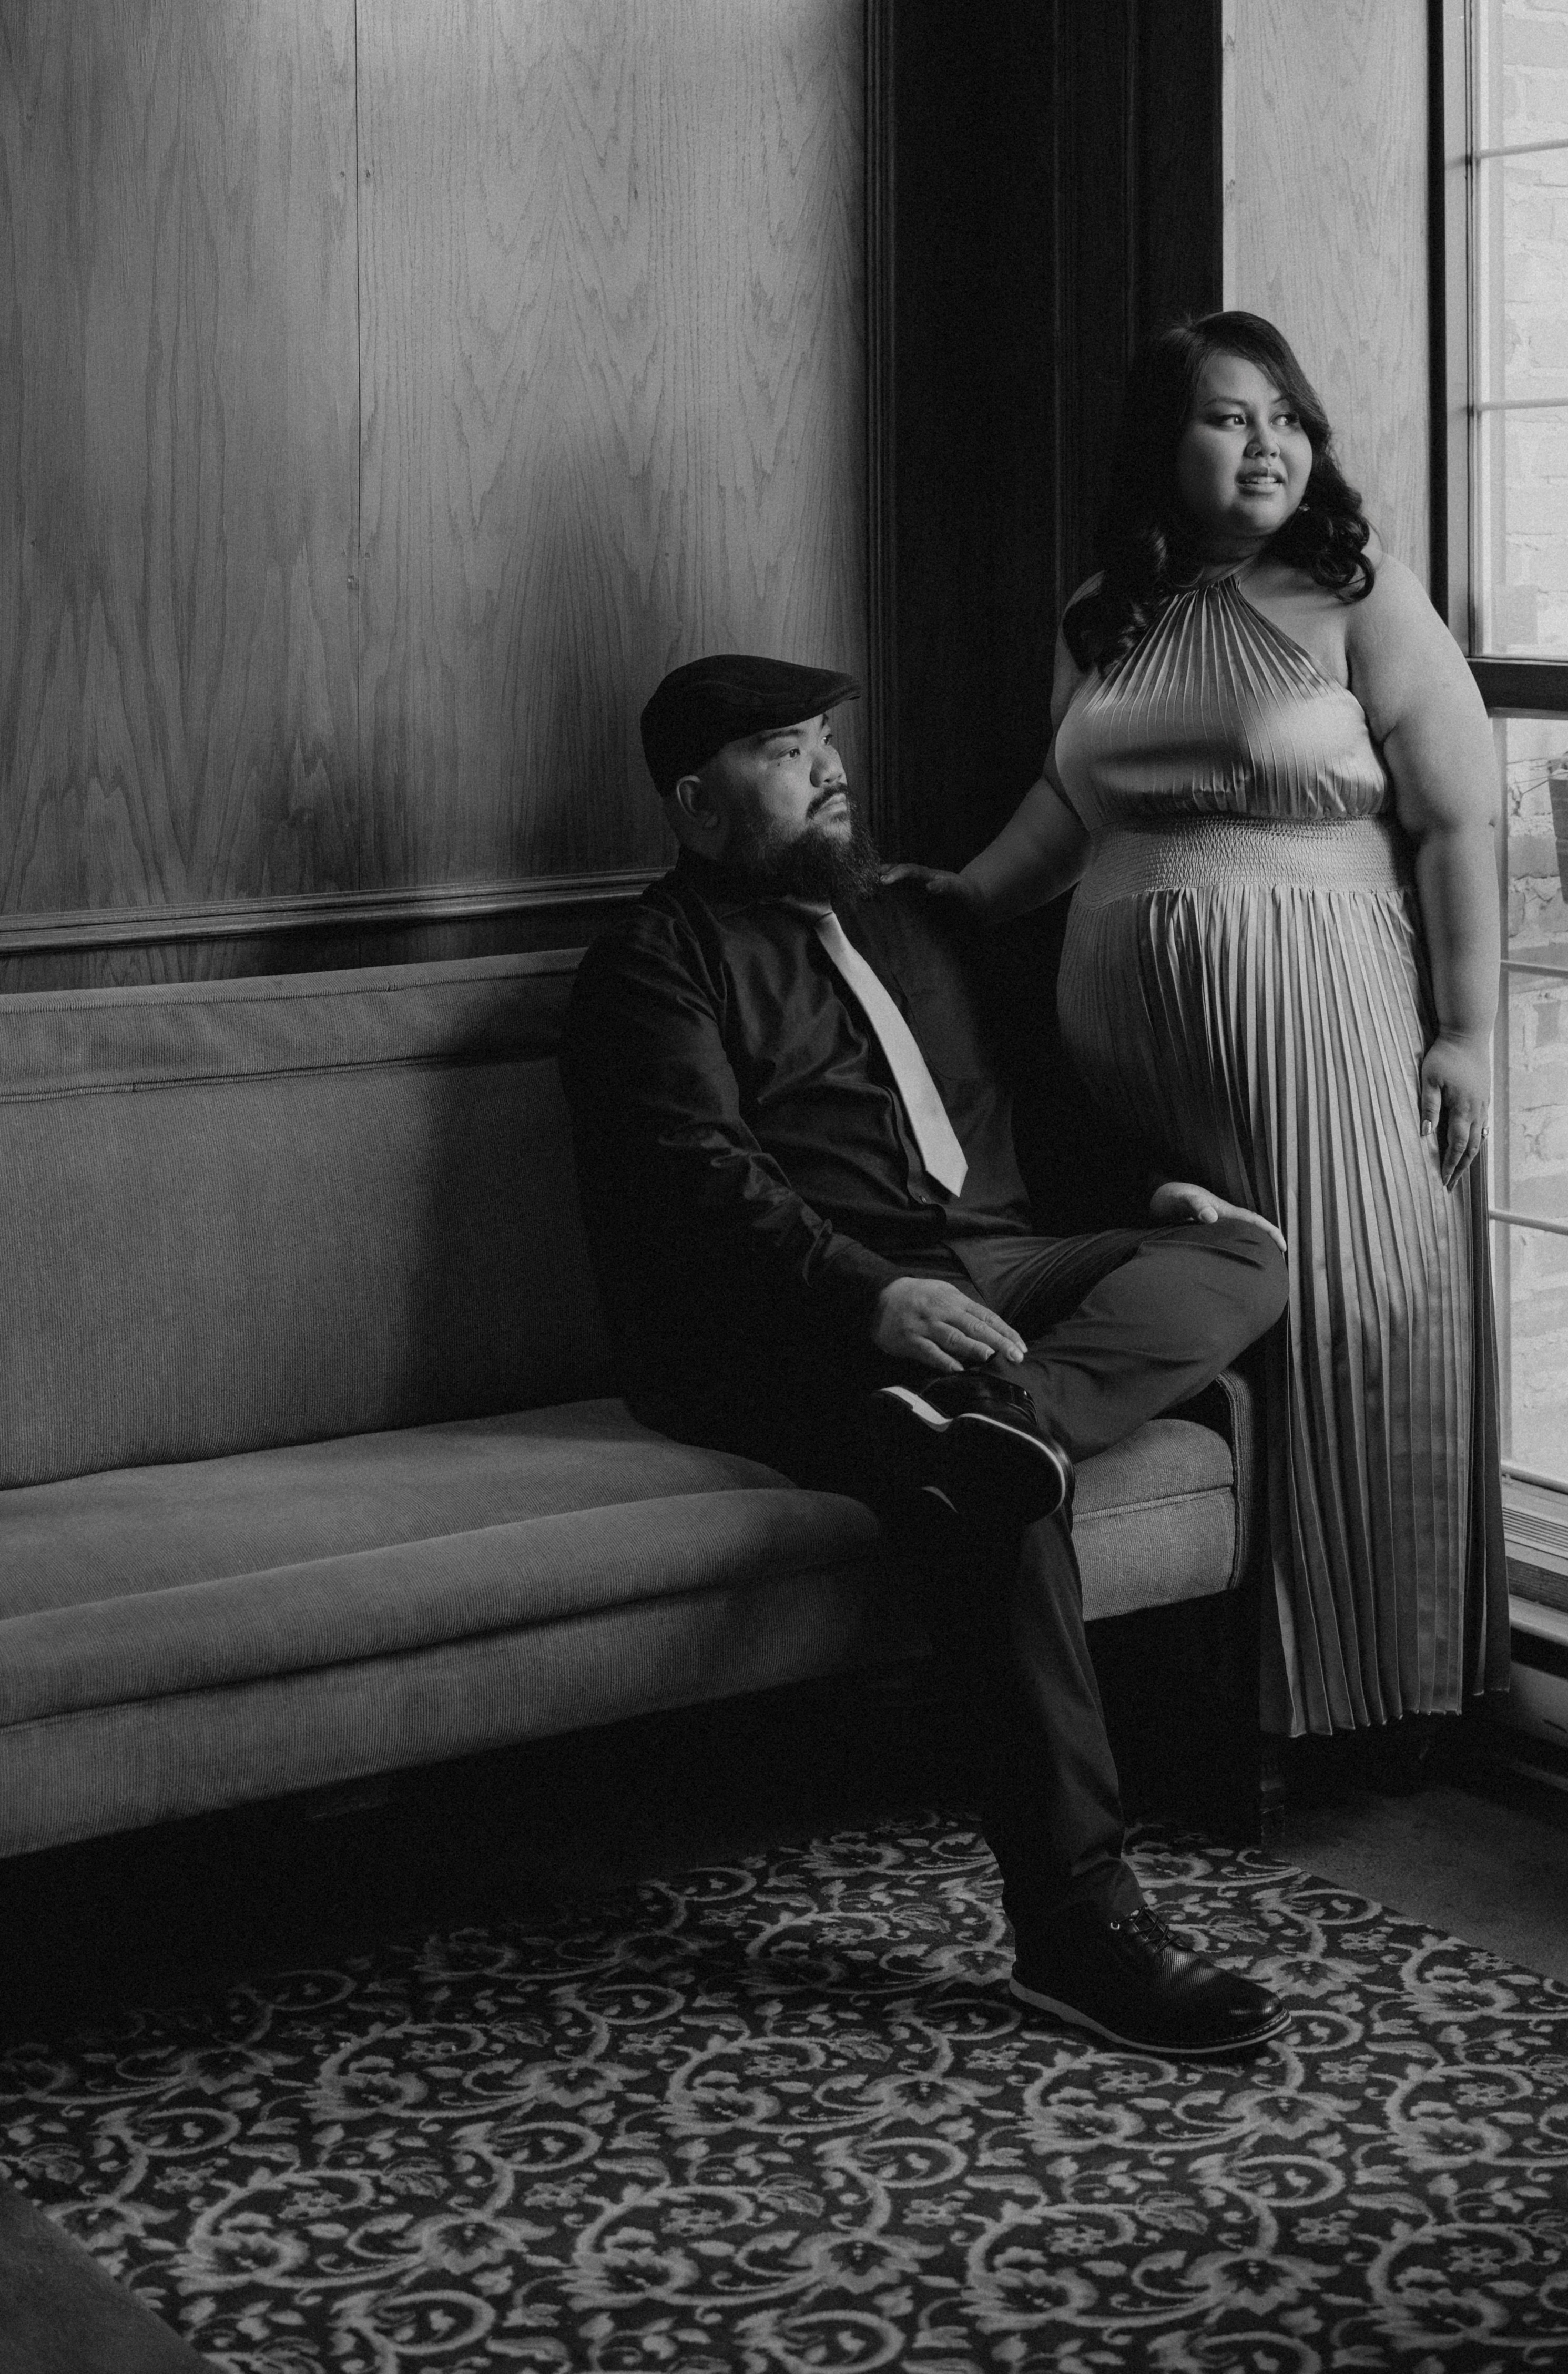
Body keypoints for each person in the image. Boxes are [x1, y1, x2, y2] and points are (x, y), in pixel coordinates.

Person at [558, 651, 1291, 2059]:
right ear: (700, 806)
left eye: (826, 737)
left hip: (1000, 1272)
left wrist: (1145, 1193)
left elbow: (1024, 1101)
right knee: (987, 1505)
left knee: (1242, 1255)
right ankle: (1079, 1926)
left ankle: (1014, 1421)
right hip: (802, 1321)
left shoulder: (909, 919)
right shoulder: (652, 968)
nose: (829, 764)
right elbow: (697, 1182)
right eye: (785, 748)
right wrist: (866, 1298)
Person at [936, 314, 1506, 1749]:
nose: (1265, 444)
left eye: (1284, 418)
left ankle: (1364, 1700)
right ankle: (1209, 1705)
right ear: (1158, 446)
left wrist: (1468, 1034)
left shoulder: (1355, 597)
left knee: (1347, 1319)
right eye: (1225, 417)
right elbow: (1068, 815)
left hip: (1323, 1027)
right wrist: (953, 900)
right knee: (1210, 1336)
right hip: (1133, 1078)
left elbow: (1457, 821)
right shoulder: (1101, 614)